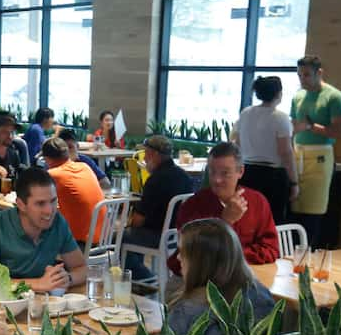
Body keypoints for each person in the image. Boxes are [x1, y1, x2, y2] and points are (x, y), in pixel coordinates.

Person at [168, 142, 279, 275]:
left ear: (240, 172)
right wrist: (224, 222)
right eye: (212, 172)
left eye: (225, 173)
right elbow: (192, 254)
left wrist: (232, 258)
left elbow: (271, 249)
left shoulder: (257, 202)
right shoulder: (193, 205)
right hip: (200, 281)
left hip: (247, 277)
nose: (217, 180)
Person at [168, 218, 275, 335]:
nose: (178, 257)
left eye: (182, 252)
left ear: (201, 262)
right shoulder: (261, 294)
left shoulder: (186, 311)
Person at [0, 167, 87, 293]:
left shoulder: (58, 222)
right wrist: (37, 284)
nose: (49, 210)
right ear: (21, 205)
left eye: (53, 201)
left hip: (45, 304)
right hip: (5, 305)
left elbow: (81, 268)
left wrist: (68, 278)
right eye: (40, 204)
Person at [290, 55, 341, 246]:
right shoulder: (298, 96)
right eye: (299, 75)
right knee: (293, 207)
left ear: (319, 73)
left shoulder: (334, 96)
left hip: (320, 155)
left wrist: (311, 127)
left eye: (306, 75)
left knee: (313, 210)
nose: (302, 79)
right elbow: (292, 126)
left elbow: (339, 131)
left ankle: (309, 254)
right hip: (297, 153)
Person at [123, 135, 193, 280]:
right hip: (177, 234)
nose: (144, 159)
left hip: (157, 235)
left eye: (146, 154)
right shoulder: (184, 177)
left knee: (121, 236)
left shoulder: (155, 180)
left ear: (154, 154)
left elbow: (138, 220)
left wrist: (127, 223)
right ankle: (139, 277)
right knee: (133, 233)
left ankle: (142, 277)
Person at [231, 76, 298, 225]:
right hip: (272, 176)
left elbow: (237, 143)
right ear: (279, 94)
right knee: (272, 221)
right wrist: (294, 182)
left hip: (247, 172)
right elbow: (285, 152)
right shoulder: (280, 118)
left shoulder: (246, 113)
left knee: (247, 219)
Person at [41, 137, 105, 247]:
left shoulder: (53, 174)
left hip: (77, 245)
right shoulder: (85, 167)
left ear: (47, 159)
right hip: (101, 240)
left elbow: (37, 203)